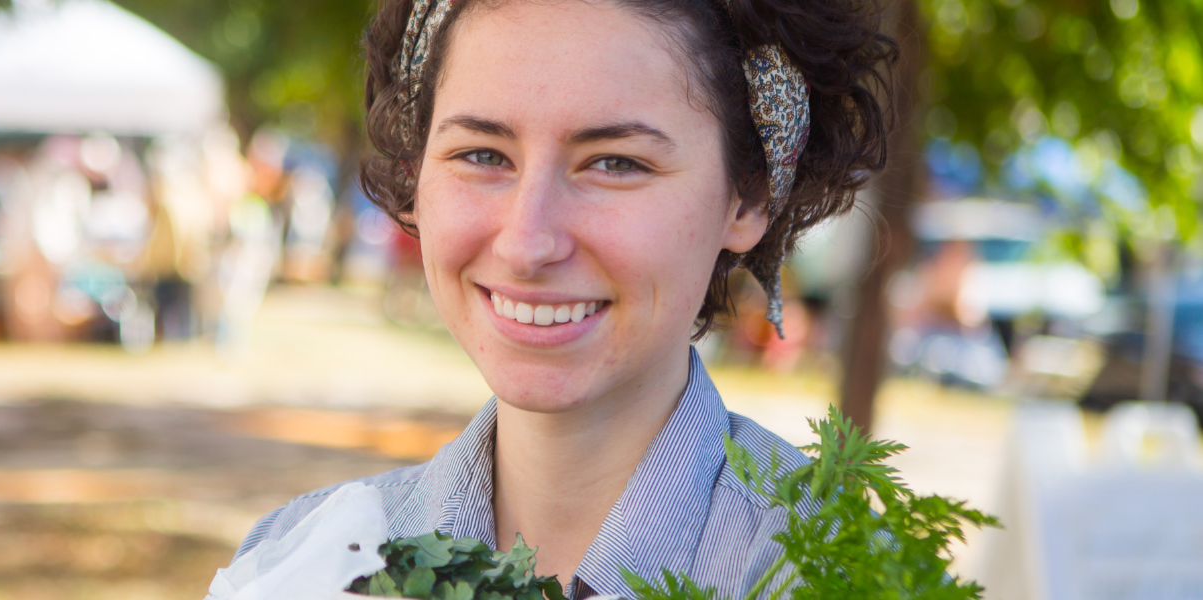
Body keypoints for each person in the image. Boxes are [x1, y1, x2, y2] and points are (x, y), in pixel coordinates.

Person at [221, 0, 896, 597]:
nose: (527, 243)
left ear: (750, 195)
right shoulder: (294, 561)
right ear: (416, 170)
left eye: (615, 163)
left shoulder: (842, 575)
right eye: (483, 154)